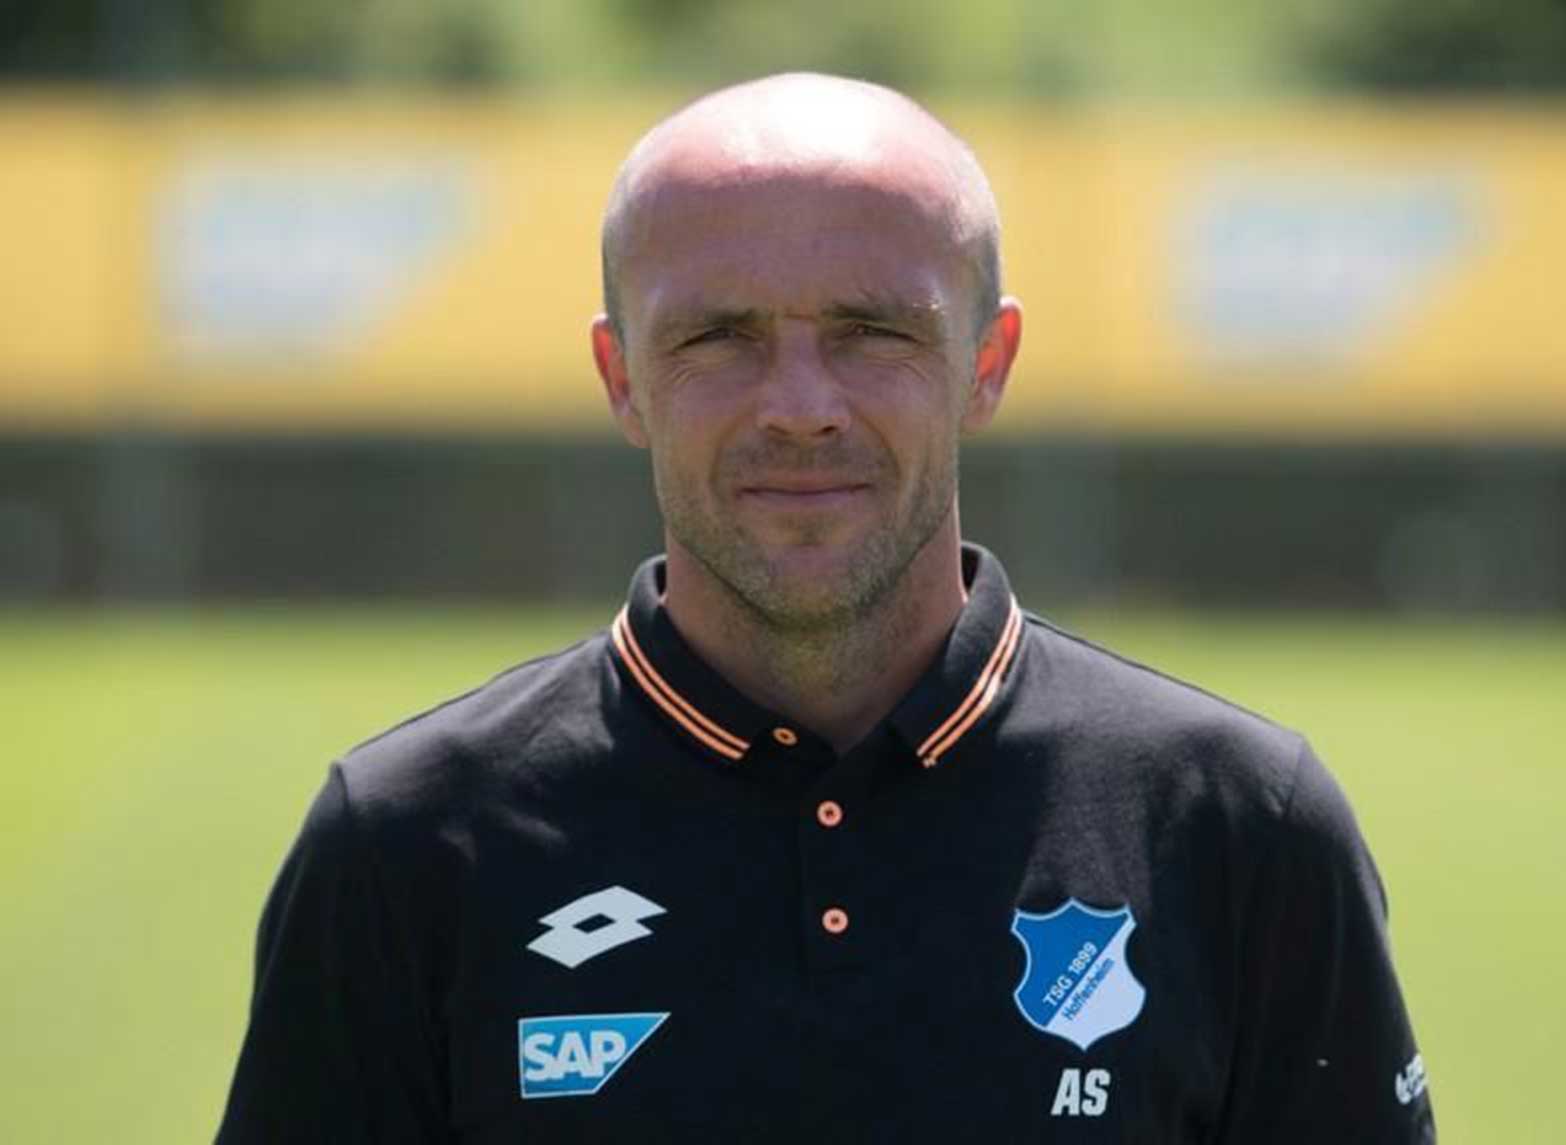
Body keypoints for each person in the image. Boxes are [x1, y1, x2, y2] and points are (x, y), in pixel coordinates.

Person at [217, 73, 1436, 1143]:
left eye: (870, 331)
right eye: (718, 336)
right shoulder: (407, 844)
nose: (800, 406)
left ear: (986, 364)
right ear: (621, 378)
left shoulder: (1237, 827)